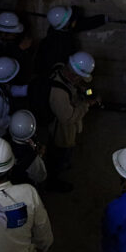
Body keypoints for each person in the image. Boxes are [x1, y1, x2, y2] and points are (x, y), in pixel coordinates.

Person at [46, 50, 97, 192]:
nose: (81, 81)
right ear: (74, 75)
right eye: (80, 78)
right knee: (61, 151)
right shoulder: (59, 93)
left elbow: (81, 89)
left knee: (64, 152)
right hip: (61, 129)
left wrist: (88, 92)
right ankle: (54, 180)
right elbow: (68, 118)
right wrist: (87, 104)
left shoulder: (61, 69)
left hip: (66, 117)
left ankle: (63, 163)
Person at [35, 5, 106, 81]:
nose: (73, 22)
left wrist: (103, 19)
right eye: (70, 21)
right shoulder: (60, 45)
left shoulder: (59, 30)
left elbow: (82, 22)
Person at [8, 109, 47, 186]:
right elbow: (41, 177)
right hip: (26, 187)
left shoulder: (5, 144)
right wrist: (40, 155)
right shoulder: (32, 157)